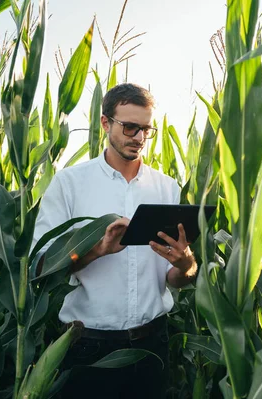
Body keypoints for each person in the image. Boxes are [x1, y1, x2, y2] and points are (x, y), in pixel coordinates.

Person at [31, 83, 197, 398]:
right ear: (106, 123)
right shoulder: (69, 185)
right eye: (130, 127)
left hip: (152, 346)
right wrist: (97, 250)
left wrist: (185, 262)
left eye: (146, 130)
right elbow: (40, 266)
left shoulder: (168, 188)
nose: (139, 138)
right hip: (87, 347)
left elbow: (177, 280)